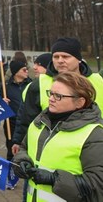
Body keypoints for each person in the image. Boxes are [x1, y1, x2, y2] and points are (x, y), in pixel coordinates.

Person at [13, 71, 103, 201]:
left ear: (80, 102)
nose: (51, 99)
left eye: (58, 96)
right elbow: (24, 148)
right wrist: (22, 161)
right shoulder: (39, 122)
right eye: (50, 93)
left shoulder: (94, 134)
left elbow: (97, 185)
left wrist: (54, 179)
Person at [12, 38, 103, 156]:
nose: (60, 61)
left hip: (94, 147)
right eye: (56, 57)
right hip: (52, 150)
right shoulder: (39, 84)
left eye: (65, 57)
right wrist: (19, 142)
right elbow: (26, 117)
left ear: (79, 59)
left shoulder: (98, 81)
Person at [3, 60, 31, 164]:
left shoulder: (31, 84)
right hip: (11, 122)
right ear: (16, 72)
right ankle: (10, 167)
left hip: (26, 122)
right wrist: (2, 102)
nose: (27, 71)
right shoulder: (6, 86)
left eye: (27, 69)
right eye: (24, 69)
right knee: (11, 147)